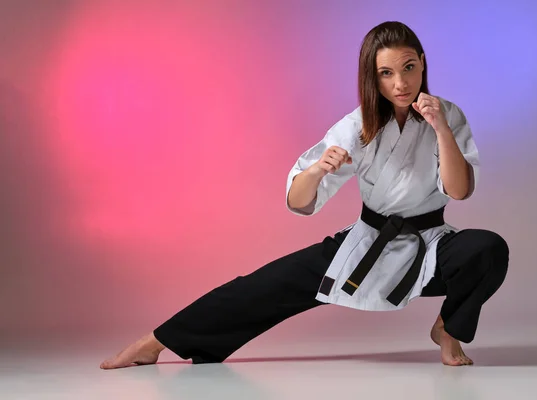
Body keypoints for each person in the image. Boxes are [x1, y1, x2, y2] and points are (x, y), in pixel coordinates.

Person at [100, 21, 509, 369]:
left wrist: (439, 129)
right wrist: (316, 170)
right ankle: (155, 343)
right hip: (369, 240)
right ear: (372, 76)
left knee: (487, 249)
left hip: (430, 243)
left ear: (422, 64)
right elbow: (299, 201)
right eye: (386, 73)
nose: (400, 82)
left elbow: (459, 190)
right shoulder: (358, 126)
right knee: (262, 287)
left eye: (409, 67)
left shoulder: (447, 114)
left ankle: (449, 331)